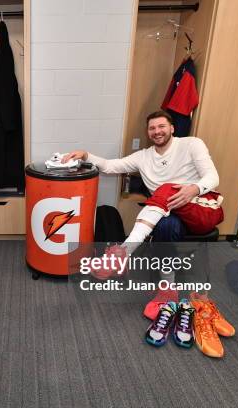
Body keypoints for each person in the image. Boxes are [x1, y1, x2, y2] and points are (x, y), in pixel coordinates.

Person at [63, 110, 223, 318]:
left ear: (172, 128)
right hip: (168, 215)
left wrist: (193, 188)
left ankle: (123, 253)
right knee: (166, 225)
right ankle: (168, 288)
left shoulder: (192, 144)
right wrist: (86, 155)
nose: (157, 131)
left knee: (166, 189)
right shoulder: (143, 157)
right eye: (152, 128)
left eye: (162, 126)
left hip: (200, 209)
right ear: (148, 132)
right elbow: (111, 166)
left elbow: (213, 176)